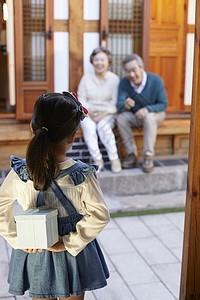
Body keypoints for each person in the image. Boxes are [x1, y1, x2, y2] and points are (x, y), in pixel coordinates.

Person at [0, 92, 110, 300]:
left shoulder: (21, 173)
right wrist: (70, 241)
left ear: (32, 129)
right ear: (72, 137)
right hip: (71, 254)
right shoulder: (82, 175)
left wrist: (17, 239)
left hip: (34, 250)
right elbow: (100, 215)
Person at [116, 54, 168, 172]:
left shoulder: (155, 80)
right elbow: (118, 105)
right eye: (128, 71)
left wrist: (147, 110)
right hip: (135, 116)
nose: (132, 75)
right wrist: (125, 104)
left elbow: (163, 104)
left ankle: (148, 156)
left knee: (149, 118)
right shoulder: (124, 83)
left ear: (141, 67)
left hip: (155, 114)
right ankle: (131, 154)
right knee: (121, 118)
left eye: (134, 70)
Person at [77, 46, 121, 174]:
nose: (99, 63)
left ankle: (114, 158)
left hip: (107, 113)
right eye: (96, 60)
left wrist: (102, 115)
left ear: (108, 62)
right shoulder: (86, 78)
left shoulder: (114, 79)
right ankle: (97, 159)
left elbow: (115, 102)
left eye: (103, 60)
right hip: (89, 113)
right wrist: (90, 111)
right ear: (92, 61)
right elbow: (81, 99)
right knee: (88, 126)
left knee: (103, 127)